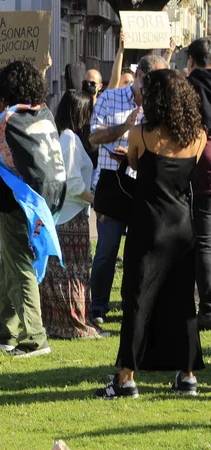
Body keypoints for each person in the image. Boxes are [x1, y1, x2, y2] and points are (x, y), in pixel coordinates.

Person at [96, 69, 206, 398]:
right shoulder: (199, 135)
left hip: (149, 225)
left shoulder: (141, 134)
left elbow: (133, 163)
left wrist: (133, 160)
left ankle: (126, 378)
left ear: (156, 99)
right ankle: (187, 375)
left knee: (137, 300)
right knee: (183, 302)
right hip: (183, 226)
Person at [0, 61, 66, 358]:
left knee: (20, 266)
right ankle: (4, 330)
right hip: (41, 200)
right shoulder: (43, 113)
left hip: (15, 200)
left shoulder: (6, 119)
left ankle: (35, 336)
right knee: (9, 263)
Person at [88, 55, 168, 324]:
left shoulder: (162, 104)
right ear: (139, 77)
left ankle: (133, 304)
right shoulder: (110, 98)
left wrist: (136, 153)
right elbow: (94, 137)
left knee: (140, 252)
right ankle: (98, 306)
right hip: (113, 186)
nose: (158, 86)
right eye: (153, 81)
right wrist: (125, 127)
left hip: (144, 186)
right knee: (107, 250)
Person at [39, 90, 102, 339]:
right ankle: (71, 322)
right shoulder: (69, 139)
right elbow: (73, 183)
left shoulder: (65, 137)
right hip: (69, 215)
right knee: (71, 272)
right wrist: (98, 202)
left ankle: (65, 320)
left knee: (67, 271)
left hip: (68, 214)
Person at [186, 37, 211, 331]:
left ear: (191, 60)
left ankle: (207, 307)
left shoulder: (190, 86)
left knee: (204, 242)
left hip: (201, 163)